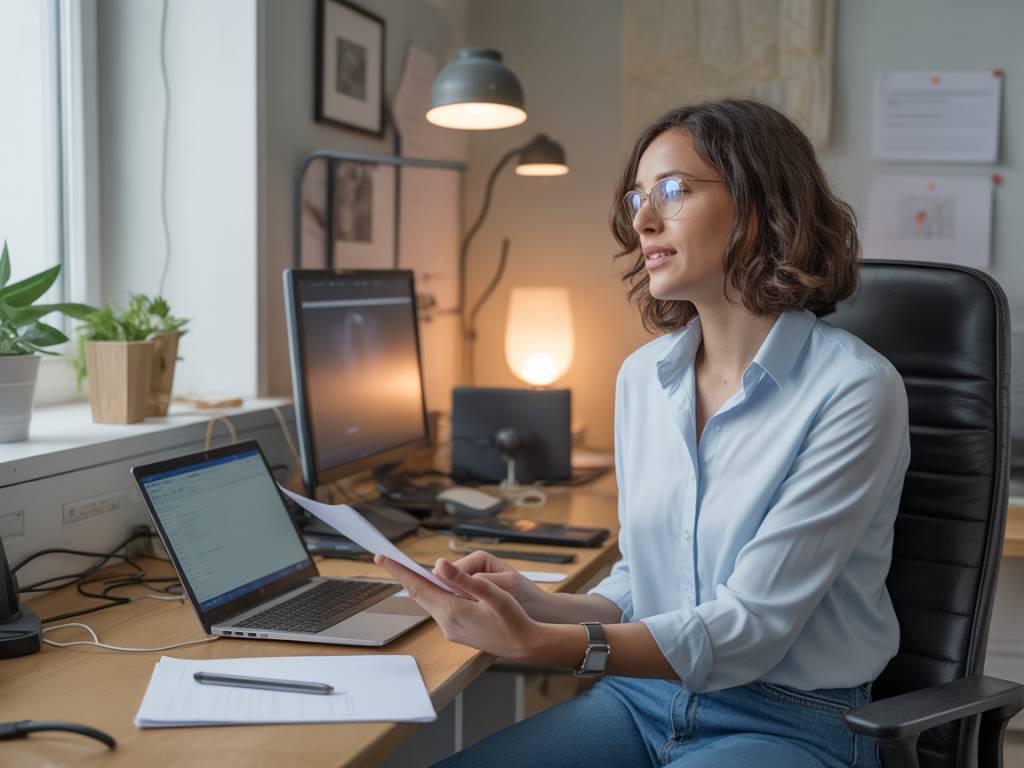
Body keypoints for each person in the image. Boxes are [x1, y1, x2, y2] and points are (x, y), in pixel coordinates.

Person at [375, 99, 910, 768]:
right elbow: (644, 582)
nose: (643, 220)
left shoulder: (854, 389)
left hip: (786, 721)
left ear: (759, 205)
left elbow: (751, 627)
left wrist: (542, 644)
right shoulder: (643, 378)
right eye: (637, 198)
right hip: (641, 700)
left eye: (673, 191)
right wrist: (538, 605)